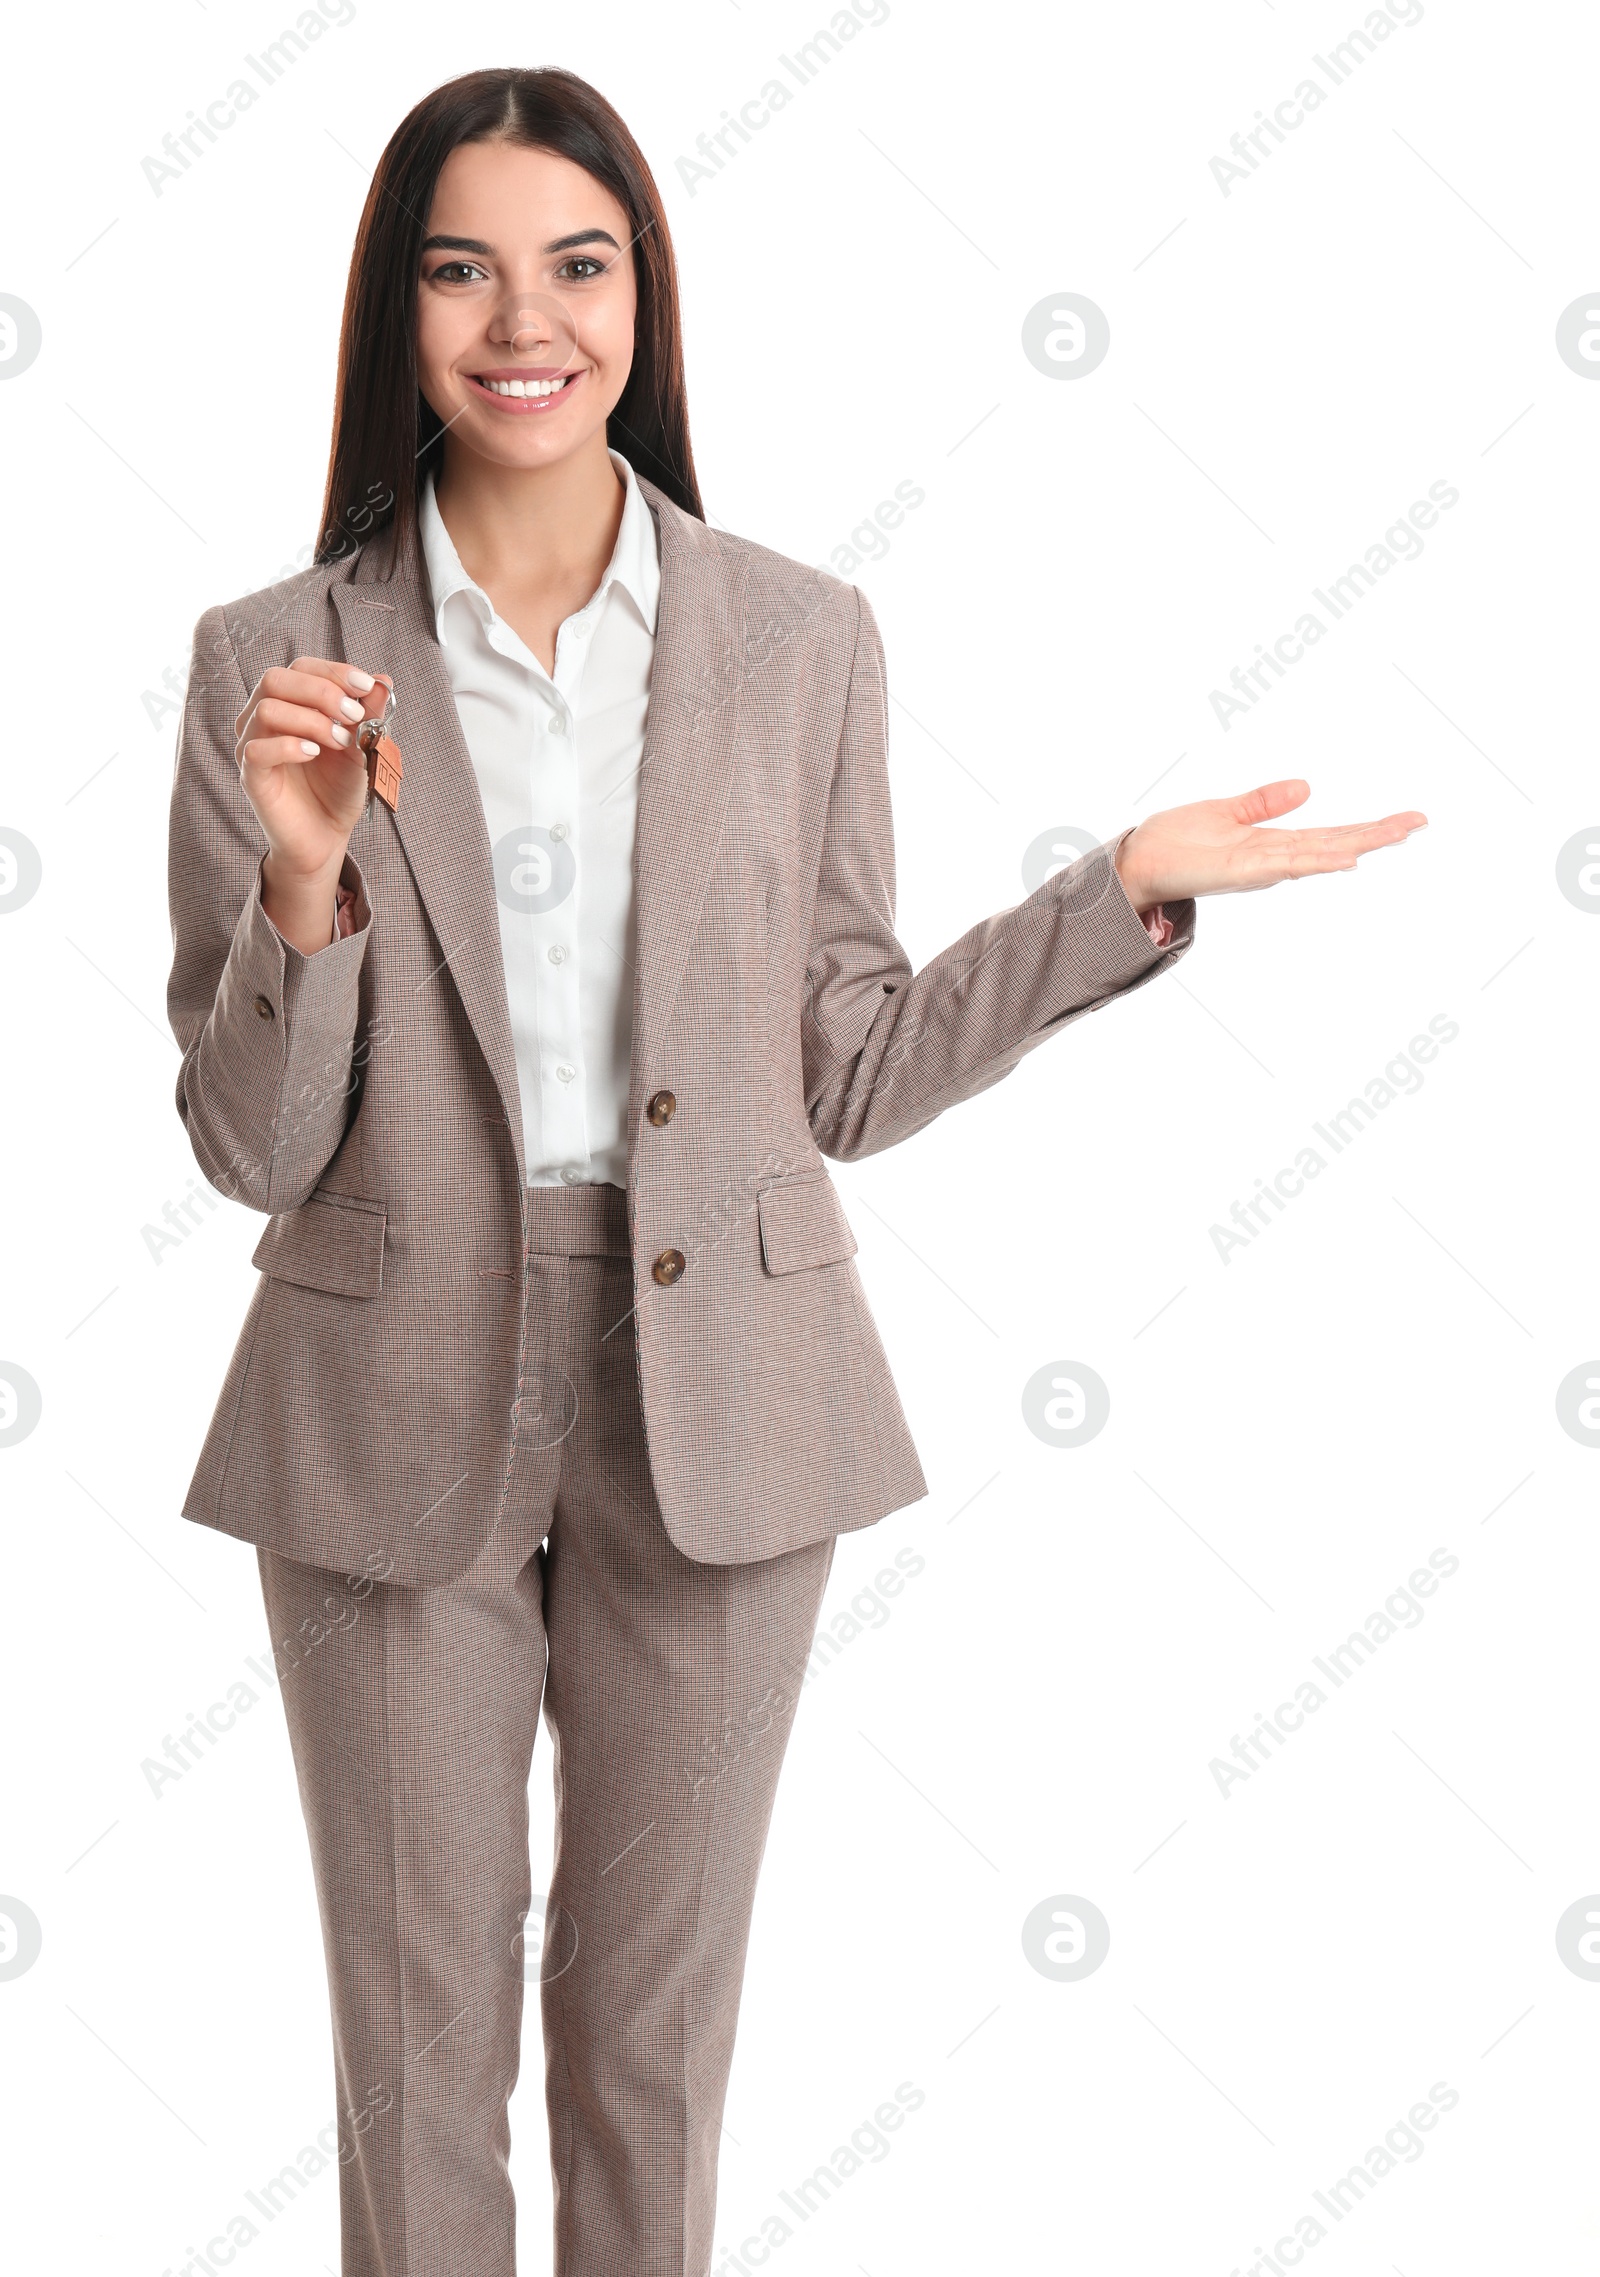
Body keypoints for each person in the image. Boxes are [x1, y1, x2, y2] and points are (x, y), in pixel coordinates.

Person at [165, 65, 1426, 2277]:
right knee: (414, 2036)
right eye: (459, 267)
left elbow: (839, 1066)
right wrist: (300, 889)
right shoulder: (277, 659)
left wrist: (1103, 893)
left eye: (578, 261)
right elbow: (248, 1138)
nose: (520, 319)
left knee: (651, 2042)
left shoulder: (797, 636)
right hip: (385, 1379)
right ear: (397, 310)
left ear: (642, 294)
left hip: (721, 1381)